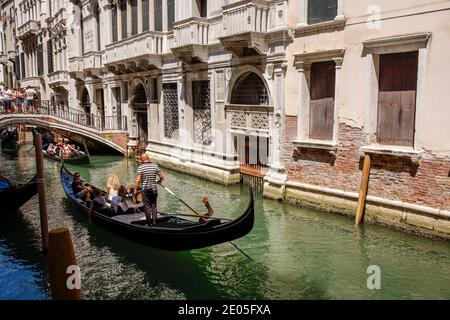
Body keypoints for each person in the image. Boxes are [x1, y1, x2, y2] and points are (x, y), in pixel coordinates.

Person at [134, 153, 164, 225]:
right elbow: (162, 176)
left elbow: (138, 180)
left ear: (142, 159)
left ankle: (149, 222)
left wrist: (135, 189)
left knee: (147, 206)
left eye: (141, 159)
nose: (140, 160)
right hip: (154, 189)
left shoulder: (141, 167)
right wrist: (159, 181)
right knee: (154, 205)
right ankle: (154, 222)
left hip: (145, 189)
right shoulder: (155, 166)